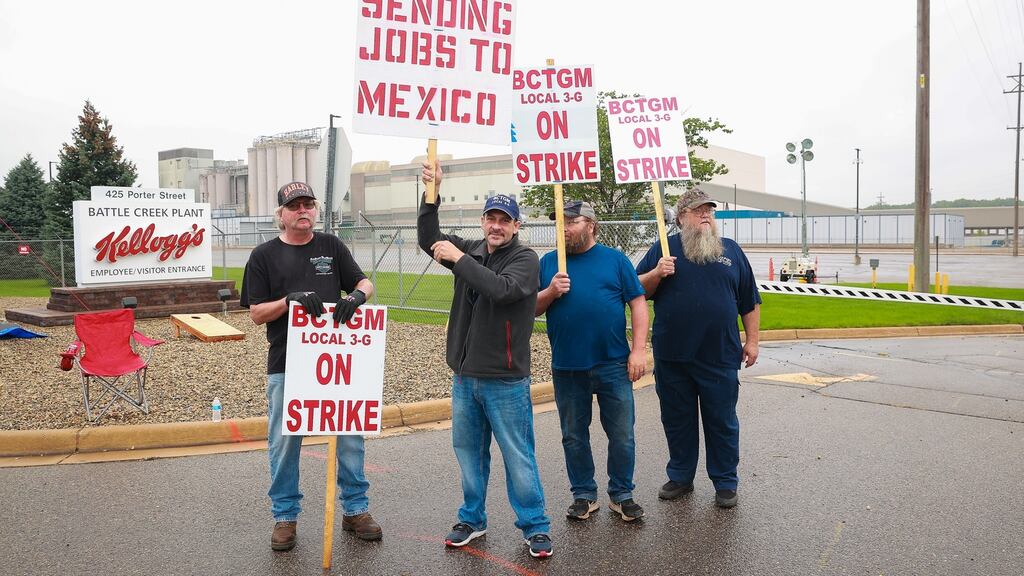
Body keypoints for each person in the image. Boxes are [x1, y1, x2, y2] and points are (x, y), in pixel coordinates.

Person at [417, 161, 553, 559]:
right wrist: (432, 195)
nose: (496, 226)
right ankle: (472, 518)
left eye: (504, 220)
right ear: (483, 221)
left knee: (518, 456)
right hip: (465, 377)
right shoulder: (472, 249)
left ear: (516, 226)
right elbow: (430, 239)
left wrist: (459, 260)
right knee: (469, 455)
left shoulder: (526, 259)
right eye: (490, 218)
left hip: (505, 379)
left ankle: (536, 526)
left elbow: (501, 290)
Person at [240, 181, 380, 551]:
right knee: (285, 444)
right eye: (294, 206)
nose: (303, 210)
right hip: (286, 365)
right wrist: (289, 301)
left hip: (337, 363)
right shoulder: (263, 255)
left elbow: (366, 282)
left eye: (309, 204)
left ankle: (355, 509)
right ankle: (285, 517)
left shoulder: (331, 246)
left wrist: (356, 297)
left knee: (349, 438)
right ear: (281, 215)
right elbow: (255, 313)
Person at [635, 188, 761, 509]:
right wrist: (657, 273)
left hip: (718, 354)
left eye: (709, 210)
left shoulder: (730, 251)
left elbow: (749, 299)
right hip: (673, 356)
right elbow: (638, 291)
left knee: (721, 420)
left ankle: (725, 481)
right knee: (677, 420)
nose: (705, 215)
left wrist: (753, 340)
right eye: (697, 210)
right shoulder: (665, 249)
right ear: (681, 218)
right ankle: (680, 476)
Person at [535, 200, 650, 522]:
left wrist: (638, 350)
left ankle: (622, 494)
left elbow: (638, 304)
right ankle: (584, 494)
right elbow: (531, 308)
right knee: (573, 434)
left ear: (591, 225)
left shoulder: (615, 260)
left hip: (613, 363)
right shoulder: (548, 263)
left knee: (622, 434)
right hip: (567, 365)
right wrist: (550, 291)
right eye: (560, 222)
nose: (564, 228)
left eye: (571, 221)